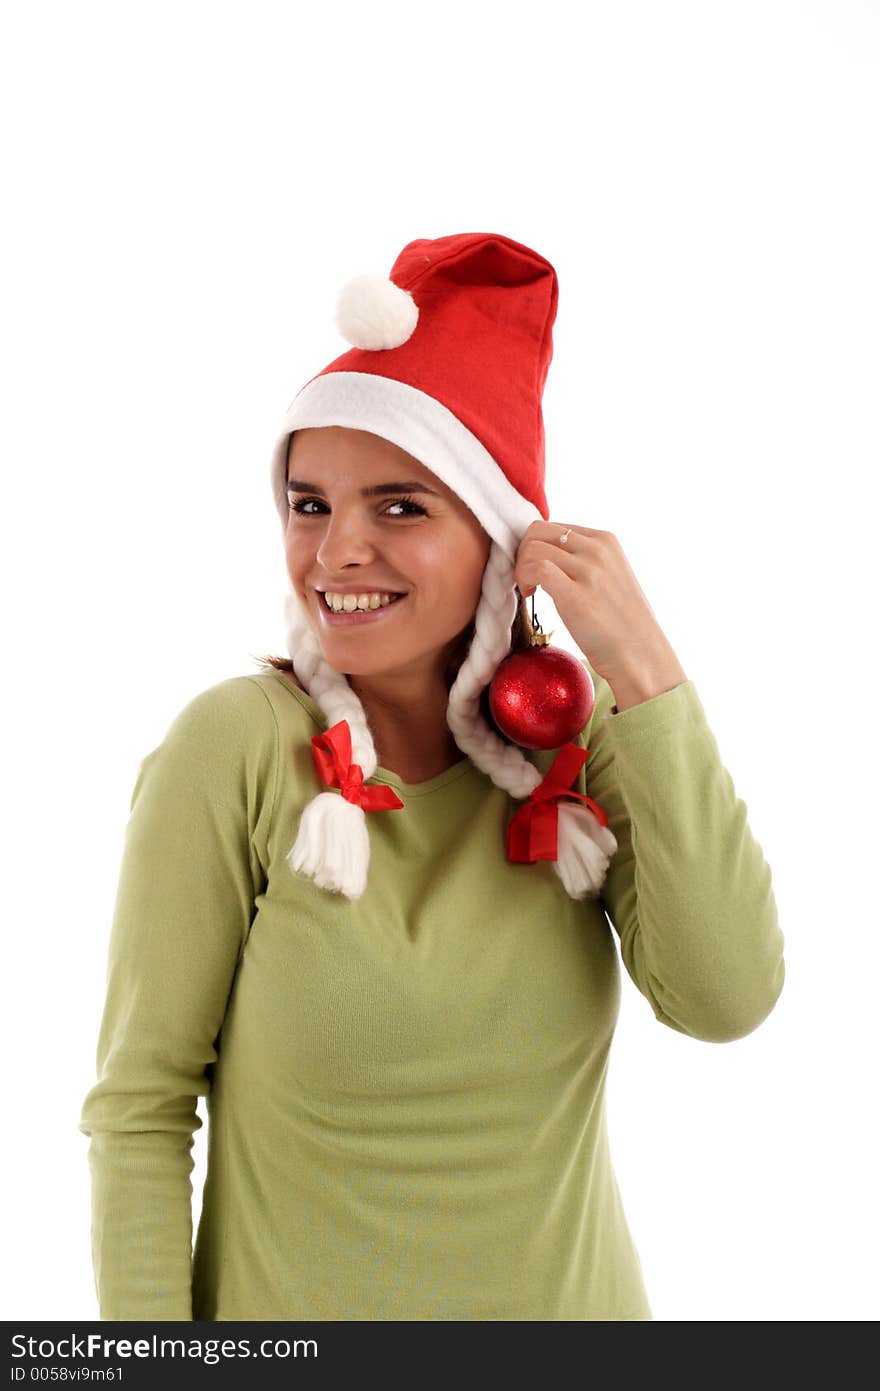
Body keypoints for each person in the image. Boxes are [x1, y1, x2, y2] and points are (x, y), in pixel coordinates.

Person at [78, 231, 785, 1321]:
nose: (336, 550)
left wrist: (645, 674)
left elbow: (725, 998)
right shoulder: (234, 752)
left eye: (399, 505)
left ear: (503, 539)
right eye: (309, 503)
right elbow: (141, 1109)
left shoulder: (577, 748)